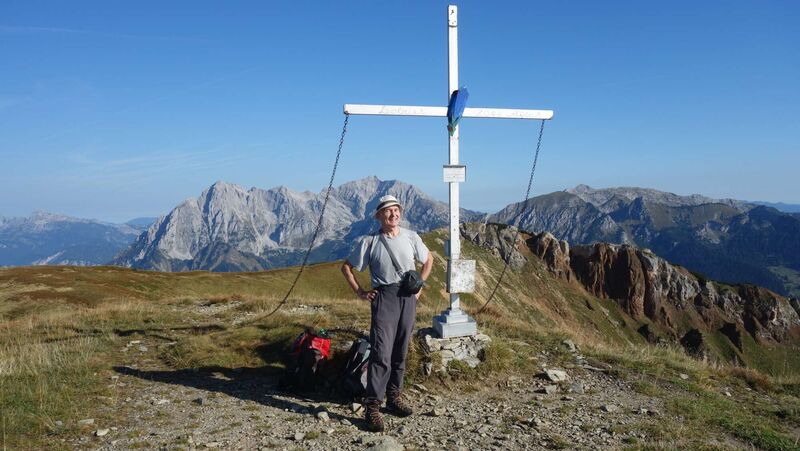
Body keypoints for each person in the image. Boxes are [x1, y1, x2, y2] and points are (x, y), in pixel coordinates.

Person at [340, 194, 433, 432]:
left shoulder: (412, 237)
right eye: (388, 211)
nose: (393, 214)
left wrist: (419, 286)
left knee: (400, 351)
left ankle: (394, 397)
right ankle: (372, 407)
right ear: (379, 216)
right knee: (381, 352)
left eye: (396, 210)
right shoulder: (369, 242)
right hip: (384, 298)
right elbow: (346, 267)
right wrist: (360, 292)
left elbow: (428, 259)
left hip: (407, 299)